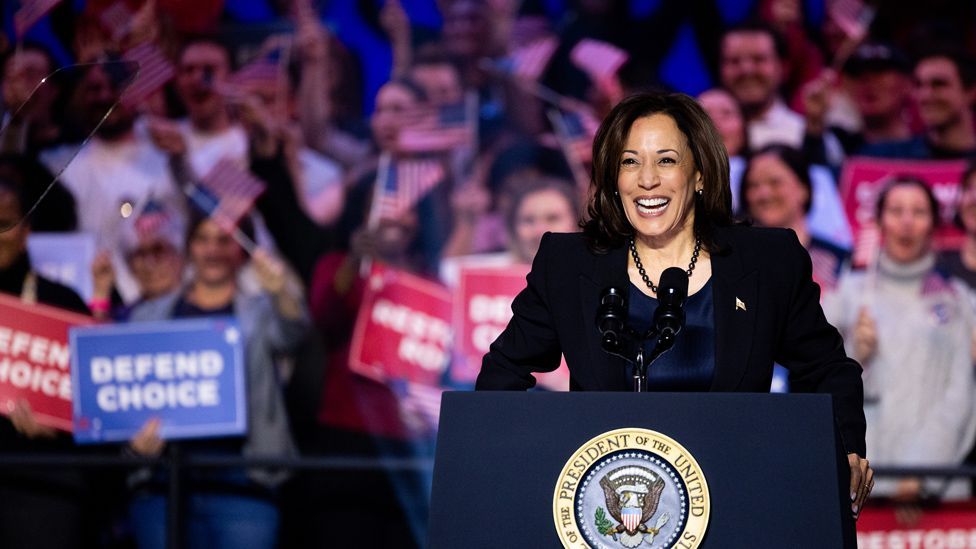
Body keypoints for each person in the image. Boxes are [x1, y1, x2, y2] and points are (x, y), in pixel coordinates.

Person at [476, 92, 873, 517]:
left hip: (736, 501)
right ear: (612, 178)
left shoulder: (767, 260)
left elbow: (826, 368)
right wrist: (542, 456)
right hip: (610, 516)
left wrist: (845, 448)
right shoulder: (569, 264)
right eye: (630, 162)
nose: (647, 179)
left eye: (666, 160)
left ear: (699, 173)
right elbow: (501, 375)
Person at [124, 211, 307, 549]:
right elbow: (124, 387)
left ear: (242, 251)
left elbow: (293, 334)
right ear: (189, 247)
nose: (213, 250)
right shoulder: (148, 315)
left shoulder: (261, 311)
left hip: (243, 478)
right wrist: (133, 442)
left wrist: (282, 292)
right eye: (202, 239)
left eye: (225, 240)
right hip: (164, 476)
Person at [824, 177, 976, 502]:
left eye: (919, 212)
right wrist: (855, 353)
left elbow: (960, 395)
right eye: (896, 210)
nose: (906, 222)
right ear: (879, 221)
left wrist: (923, 473)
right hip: (866, 487)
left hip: (937, 487)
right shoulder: (847, 297)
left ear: (933, 224)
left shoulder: (958, 300)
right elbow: (823, 385)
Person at [740, 145, 850, 291]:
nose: (764, 194)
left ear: (803, 189)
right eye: (753, 185)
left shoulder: (840, 262)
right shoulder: (736, 260)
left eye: (775, 182)